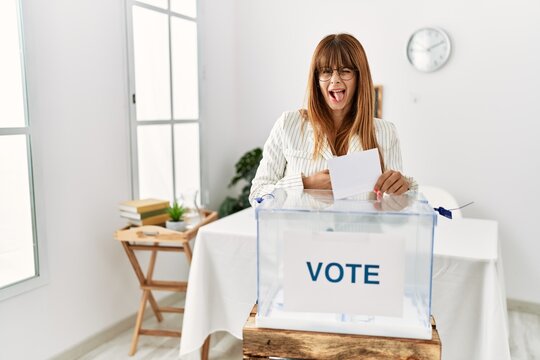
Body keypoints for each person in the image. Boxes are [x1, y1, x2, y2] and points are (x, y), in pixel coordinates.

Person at [249, 33, 417, 205]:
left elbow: (393, 212)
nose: (335, 80)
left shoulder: (386, 132)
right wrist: (305, 184)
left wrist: (401, 191)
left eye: (345, 71)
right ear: (316, 79)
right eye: (326, 71)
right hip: (302, 232)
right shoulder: (288, 124)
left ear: (360, 77)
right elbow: (257, 195)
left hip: (359, 232)